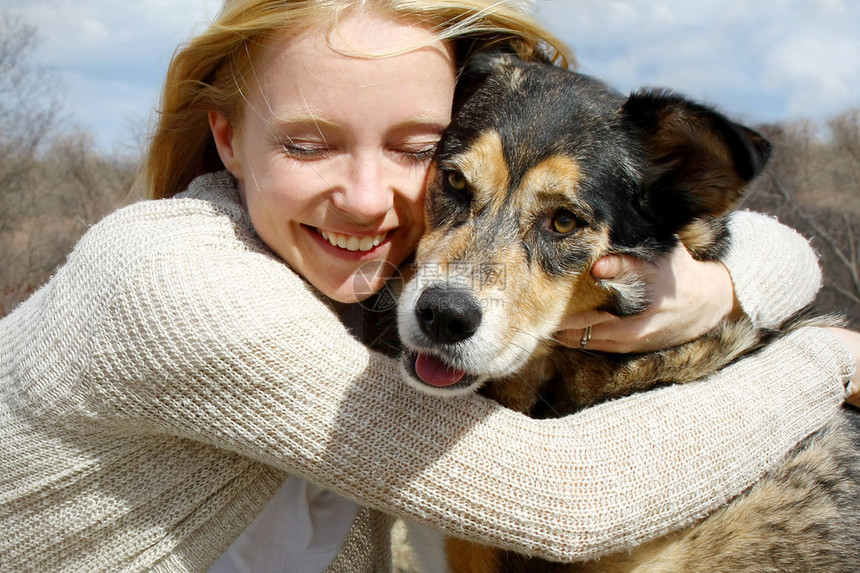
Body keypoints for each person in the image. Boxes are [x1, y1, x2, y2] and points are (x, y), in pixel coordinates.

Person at [0, 1, 855, 571]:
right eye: (307, 144)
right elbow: (570, 498)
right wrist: (821, 360)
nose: (370, 198)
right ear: (226, 139)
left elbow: (776, 241)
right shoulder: (179, 286)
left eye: (414, 150)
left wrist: (719, 290)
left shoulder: (352, 277)